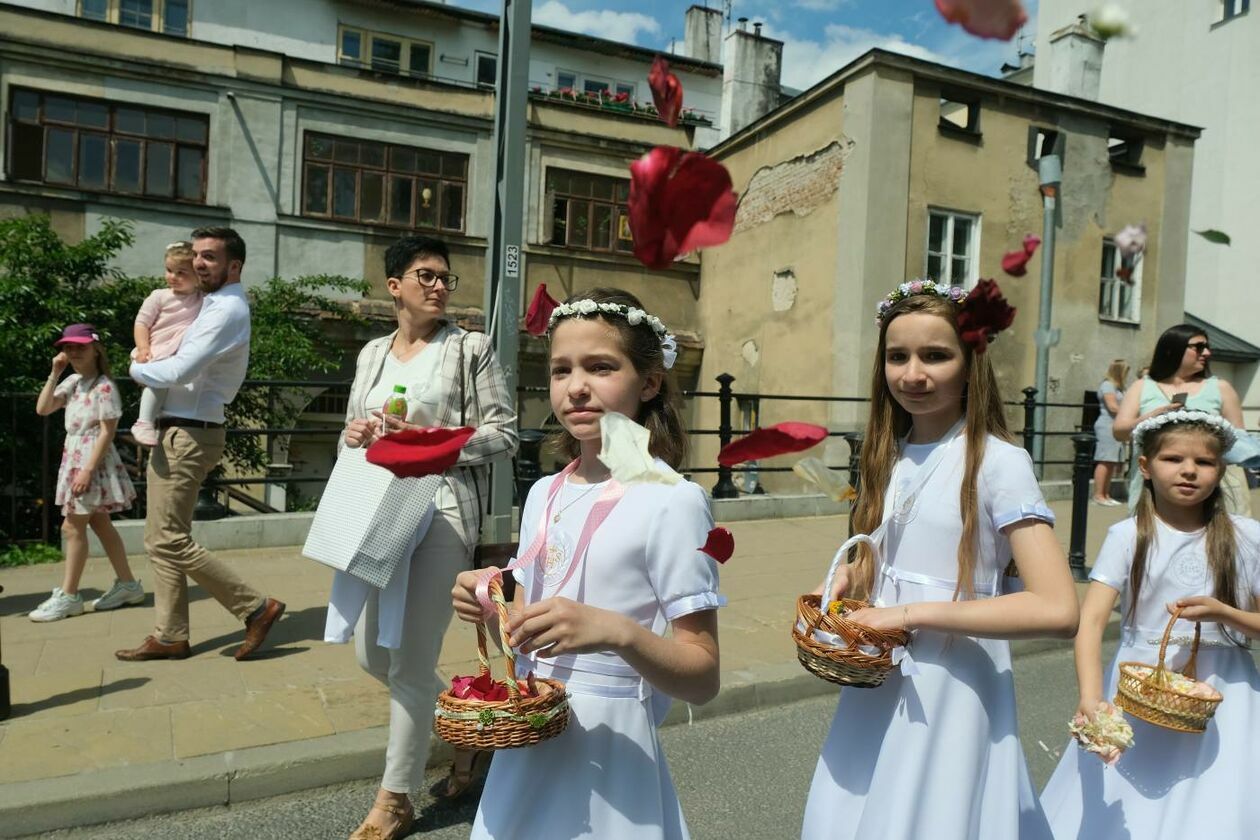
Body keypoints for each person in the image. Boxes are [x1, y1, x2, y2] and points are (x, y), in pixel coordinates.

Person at [800, 281, 1079, 840]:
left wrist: (907, 615)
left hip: (953, 682)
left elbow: (1057, 608)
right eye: (897, 357)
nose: (912, 374)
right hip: (883, 677)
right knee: (860, 813)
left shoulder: (1000, 463)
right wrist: (856, 576)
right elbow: (897, 555)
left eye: (935, 355)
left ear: (971, 362)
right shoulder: (886, 455)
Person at [452, 288, 724, 840]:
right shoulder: (544, 492)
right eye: (560, 370)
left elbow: (703, 676)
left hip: (610, 753)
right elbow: (525, 635)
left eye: (600, 367)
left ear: (649, 382)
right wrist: (491, 604)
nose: (576, 386)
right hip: (531, 736)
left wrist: (616, 631)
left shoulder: (672, 500)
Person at [331, 235, 517, 840]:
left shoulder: (470, 349)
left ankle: (395, 800)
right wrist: (357, 433)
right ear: (395, 286)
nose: (438, 286)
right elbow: (349, 442)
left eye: (445, 278)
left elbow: (505, 435)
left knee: (411, 662)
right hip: (376, 511)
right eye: (425, 276)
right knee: (371, 655)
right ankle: (472, 735)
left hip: (439, 512)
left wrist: (431, 440)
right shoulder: (371, 354)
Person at [1040, 410, 1260, 838]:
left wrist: (1224, 613)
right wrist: (1090, 696)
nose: (1189, 471)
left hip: (1225, 693)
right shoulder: (1129, 535)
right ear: (1145, 466)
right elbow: (1092, 619)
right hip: (1139, 688)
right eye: (1173, 459)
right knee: (1129, 800)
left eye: (1205, 462)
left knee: (1219, 801)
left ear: (1222, 469)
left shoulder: (1246, 536)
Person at [115, 227, 284, 662]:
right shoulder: (207, 303)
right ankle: (170, 634)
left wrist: (134, 364)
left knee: (168, 538)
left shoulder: (225, 310)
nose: (198, 263)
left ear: (235, 265)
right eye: (196, 256)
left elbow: (174, 371)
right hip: (181, 428)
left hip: (189, 432)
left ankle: (255, 606)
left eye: (209, 257)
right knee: (161, 537)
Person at [30, 324, 141, 621]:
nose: (73, 351)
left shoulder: (104, 386)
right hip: (77, 456)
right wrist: (55, 373)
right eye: (69, 347)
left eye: (80, 346)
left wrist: (87, 471)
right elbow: (43, 408)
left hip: (91, 460)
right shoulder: (74, 382)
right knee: (101, 524)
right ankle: (128, 584)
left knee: (72, 526)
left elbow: (108, 432)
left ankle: (69, 596)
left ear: (95, 348)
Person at [1113, 324, 1250, 515]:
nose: (1207, 353)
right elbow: (1119, 431)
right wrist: (1150, 417)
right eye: (1199, 347)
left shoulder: (1221, 388)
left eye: (1207, 347)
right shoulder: (1141, 387)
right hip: (1154, 488)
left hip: (1210, 492)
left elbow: (1239, 440)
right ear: (1172, 349)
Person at [129, 241, 204, 446]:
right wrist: (144, 348)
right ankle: (143, 422)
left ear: (197, 275)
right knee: (158, 384)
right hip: (157, 350)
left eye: (181, 272)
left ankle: (156, 419)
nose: (173, 277)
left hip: (179, 352)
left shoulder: (201, 298)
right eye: (169, 270)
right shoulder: (159, 296)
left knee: (171, 387)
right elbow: (141, 323)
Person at [1092, 359, 1129, 506]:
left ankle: (1106, 494)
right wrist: (1130, 414)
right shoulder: (1107, 385)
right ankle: (1098, 495)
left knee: (1112, 462)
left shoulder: (1118, 387)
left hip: (1116, 426)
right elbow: (1113, 407)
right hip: (1107, 426)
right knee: (1105, 460)